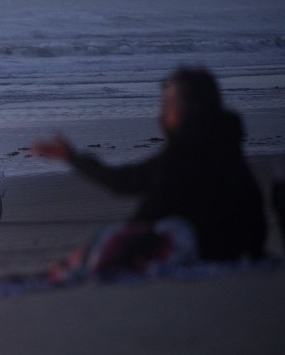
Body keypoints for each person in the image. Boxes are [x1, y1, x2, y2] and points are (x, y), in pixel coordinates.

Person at [33, 67, 267, 280]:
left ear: (192, 109)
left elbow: (127, 186)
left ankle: (78, 266)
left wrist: (72, 157)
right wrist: (256, 252)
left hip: (199, 250)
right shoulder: (228, 147)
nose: (163, 113)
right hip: (234, 251)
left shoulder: (182, 156)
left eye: (169, 105)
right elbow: (254, 207)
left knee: (114, 237)